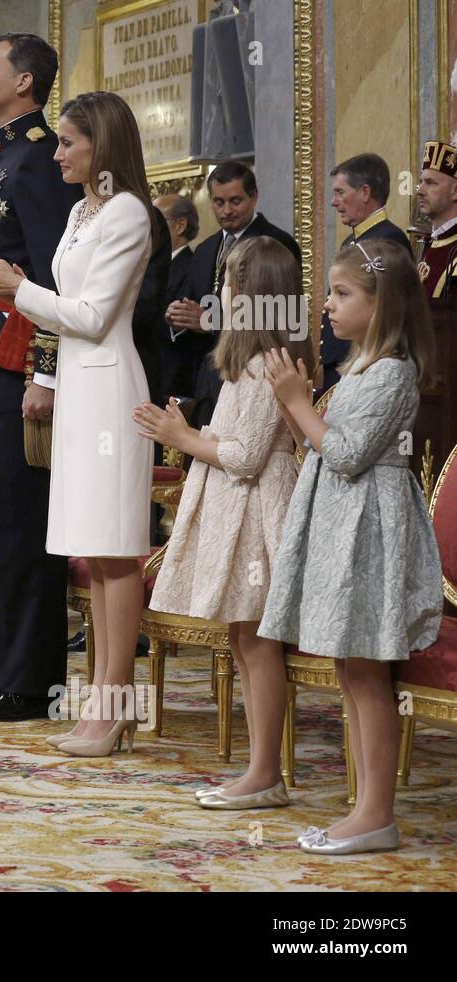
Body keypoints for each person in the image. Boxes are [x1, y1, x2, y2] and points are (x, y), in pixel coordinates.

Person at [0, 90, 157, 753]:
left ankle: (114, 707)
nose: (57, 153)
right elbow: (67, 306)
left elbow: (92, 314)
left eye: (69, 143)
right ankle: (103, 706)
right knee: (93, 550)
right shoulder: (82, 209)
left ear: (101, 146)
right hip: (78, 387)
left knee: (115, 555)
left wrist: (16, 289)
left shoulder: (130, 212)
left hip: (109, 386)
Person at [260, 239, 441, 855]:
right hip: (343, 523)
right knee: (350, 669)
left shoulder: (392, 372)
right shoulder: (359, 367)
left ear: (382, 303)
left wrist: (296, 403)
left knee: (368, 675)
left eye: (342, 295)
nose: (328, 308)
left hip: (370, 531)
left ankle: (376, 812)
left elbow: (344, 452)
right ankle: (365, 805)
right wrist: (297, 406)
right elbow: (317, 444)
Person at [135, 237, 311, 803]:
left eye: (231, 281)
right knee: (243, 639)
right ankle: (262, 771)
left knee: (257, 642)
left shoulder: (267, 364)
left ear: (253, 294)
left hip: (260, 512)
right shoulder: (246, 363)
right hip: (239, 506)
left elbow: (248, 455)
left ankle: (265, 774)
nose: (221, 292)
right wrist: (190, 430)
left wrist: (183, 438)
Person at [0, 34, 82, 723]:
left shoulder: (37, 163)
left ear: (24, 81)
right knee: (1, 527)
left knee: (24, 530)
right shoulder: (9, 155)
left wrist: (46, 372)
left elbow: (54, 277)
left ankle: (32, 683)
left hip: (19, 364)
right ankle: (9, 672)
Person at [165, 161, 301, 426]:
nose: (226, 210)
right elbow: (194, 308)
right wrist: (179, 317)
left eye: (235, 201)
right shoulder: (205, 249)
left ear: (254, 197)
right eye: (218, 202)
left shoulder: (276, 244)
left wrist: (211, 321)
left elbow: (283, 314)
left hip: (255, 374)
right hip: (208, 378)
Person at [320, 153, 413, 389]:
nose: (334, 202)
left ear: (365, 192)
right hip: (346, 364)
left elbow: (386, 312)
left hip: (367, 366)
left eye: (340, 192)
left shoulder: (389, 239)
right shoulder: (353, 241)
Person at [152, 192, 201, 399]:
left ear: (180, 225)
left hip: (176, 381)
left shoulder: (194, 266)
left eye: (156, 221)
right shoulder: (154, 265)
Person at [415, 139, 457, 300]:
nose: (420, 190)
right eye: (420, 182)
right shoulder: (431, 243)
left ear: (455, 192)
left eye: (430, 183)